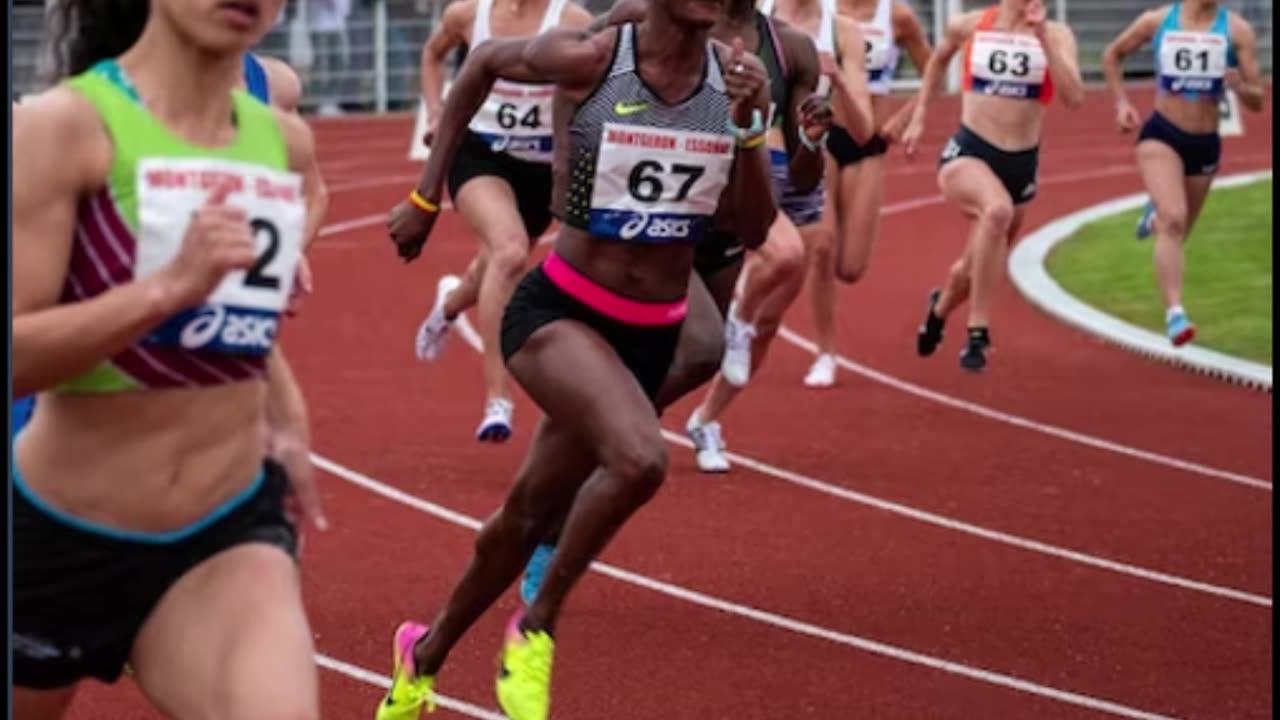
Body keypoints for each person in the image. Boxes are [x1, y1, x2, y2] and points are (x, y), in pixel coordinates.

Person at [379, 1, 776, 716]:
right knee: (640, 459)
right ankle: (535, 628)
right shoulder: (594, 57)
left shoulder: (738, 84)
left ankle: (422, 657)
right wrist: (425, 193)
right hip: (559, 311)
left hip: (650, 329)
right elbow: (482, 63)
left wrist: (751, 134)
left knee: (525, 515)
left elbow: (750, 226)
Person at [11, 0, 327, 715]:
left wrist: (289, 418)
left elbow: (231, 322)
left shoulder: (283, 144)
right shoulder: (65, 130)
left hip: (224, 532)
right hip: (59, 536)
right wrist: (163, 291)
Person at [10, 51, 326, 438]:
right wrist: (167, 290)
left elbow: (313, 193)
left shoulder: (275, 98)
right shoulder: (74, 116)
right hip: (82, 437)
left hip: (212, 435)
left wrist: (281, 254)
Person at [684, 0, 873, 472]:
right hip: (751, 166)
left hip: (805, 167)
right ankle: (734, 319)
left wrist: (840, 83)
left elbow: (864, 129)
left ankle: (707, 419)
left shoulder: (841, 31)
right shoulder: (752, 21)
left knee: (769, 323)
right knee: (782, 257)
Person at [405, 0, 594, 443]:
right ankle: (498, 398)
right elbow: (433, 54)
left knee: (494, 265)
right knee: (508, 252)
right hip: (480, 153)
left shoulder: (574, 22)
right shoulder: (468, 14)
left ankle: (451, 302)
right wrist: (435, 113)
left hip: (543, 169)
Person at [903, 0, 1084, 371]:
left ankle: (939, 309)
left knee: (968, 273)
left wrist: (1043, 39)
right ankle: (978, 334)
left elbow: (1075, 98)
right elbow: (938, 60)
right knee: (996, 211)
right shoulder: (970, 25)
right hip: (969, 153)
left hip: (1020, 165)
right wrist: (919, 116)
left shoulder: (1057, 35)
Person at [1101, 1, 1265, 345]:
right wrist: (1121, 103)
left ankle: (1155, 214)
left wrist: (1239, 85)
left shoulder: (1237, 31)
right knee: (1174, 218)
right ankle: (1175, 314)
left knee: (1177, 230)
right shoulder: (1158, 21)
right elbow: (1113, 54)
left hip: (1205, 144)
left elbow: (1257, 99)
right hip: (1162, 134)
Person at [800, 0, 932, 387]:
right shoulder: (819, 11)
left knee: (851, 267)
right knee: (821, 247)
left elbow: (933, 73)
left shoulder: (897, 16)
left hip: (869, 141)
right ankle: (825, 352)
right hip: (819, 136)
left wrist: (904, 117)